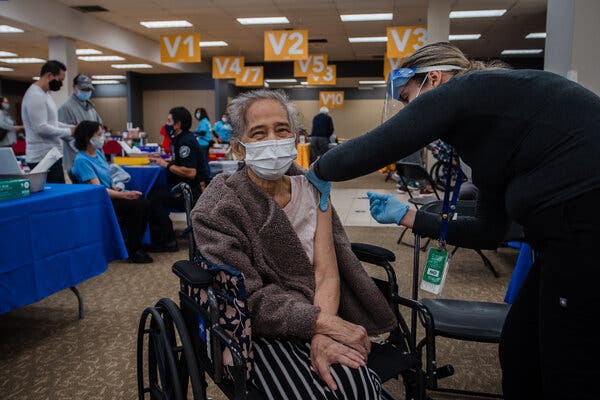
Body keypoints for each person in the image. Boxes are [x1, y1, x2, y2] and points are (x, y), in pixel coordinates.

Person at [306, 42, 600, 400]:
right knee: (520, 347)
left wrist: (319, 169)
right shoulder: (488, 138)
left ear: (434, 78)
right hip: (561, 236)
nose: (407, 110)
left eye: (408, 97)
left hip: (585, 223)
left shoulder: (468, 87)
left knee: (569, 362)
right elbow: (489, 230)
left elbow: (388, 140)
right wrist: (410, 217)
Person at [192, 89, 398, 400]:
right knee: (335, 387)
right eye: (259, 133)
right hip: (262, 325)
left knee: (357, 383)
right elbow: (248, 296)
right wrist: (322, 325)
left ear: (295, 137)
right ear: (238, 148)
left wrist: (321, 333)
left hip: (322, 305)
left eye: (281, 129)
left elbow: (326, 272)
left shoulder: (313, 189)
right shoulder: (218, 208)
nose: (273, 140)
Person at [71, 120, 153, 264]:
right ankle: (133, 250)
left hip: (109, 196)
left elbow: (107, 177)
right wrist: (124, 195)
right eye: (99, 134)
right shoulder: (81, 161)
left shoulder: (98, 153)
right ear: (87, 137)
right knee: (138, 204)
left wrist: (117, 187)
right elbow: (98, 190)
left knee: (143, 202)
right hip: (98, 202)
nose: (103, 138)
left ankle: (134, 244)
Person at [146, 106, 206, 253]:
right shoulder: (180, 139)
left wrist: (166, 165)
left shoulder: (186, 142)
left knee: (154, 199)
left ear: (178, 124)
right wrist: (163, 160)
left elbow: (191, 172)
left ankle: (168, 241)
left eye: (169, 121)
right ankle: (165, 237)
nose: (167, 124)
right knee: (155, 194)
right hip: (183, 187)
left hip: (190, 190)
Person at [21, 60, 75, 183]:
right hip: (41, 157)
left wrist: (71, 128)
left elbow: (52, 122)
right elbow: (41, 128)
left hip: (52, 155)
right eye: (60, 80)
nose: (61, 84)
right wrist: (68, 131)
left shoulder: (46, 94)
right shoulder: (35, 95)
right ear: (49, 76)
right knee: (54, 197)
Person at [58, 74, 103, 173]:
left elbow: (99, 127)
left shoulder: (90, 107)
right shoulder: (66, 108)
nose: (86, 92)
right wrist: (85, 150)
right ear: (74, 88)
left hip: (93, 158)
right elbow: (66, 135)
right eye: (83, 89)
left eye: (88, 89)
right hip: (76, 160)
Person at [193, 107, 212, 180]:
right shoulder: (206, 121)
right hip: (206, 143)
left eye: (199, 112)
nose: (197, 114)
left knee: (203, 161)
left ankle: (206, 177)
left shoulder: (203, 122)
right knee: (205, 160)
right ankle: (207, 175)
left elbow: (203, 132)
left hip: (202, 143)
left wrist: (194, 132)